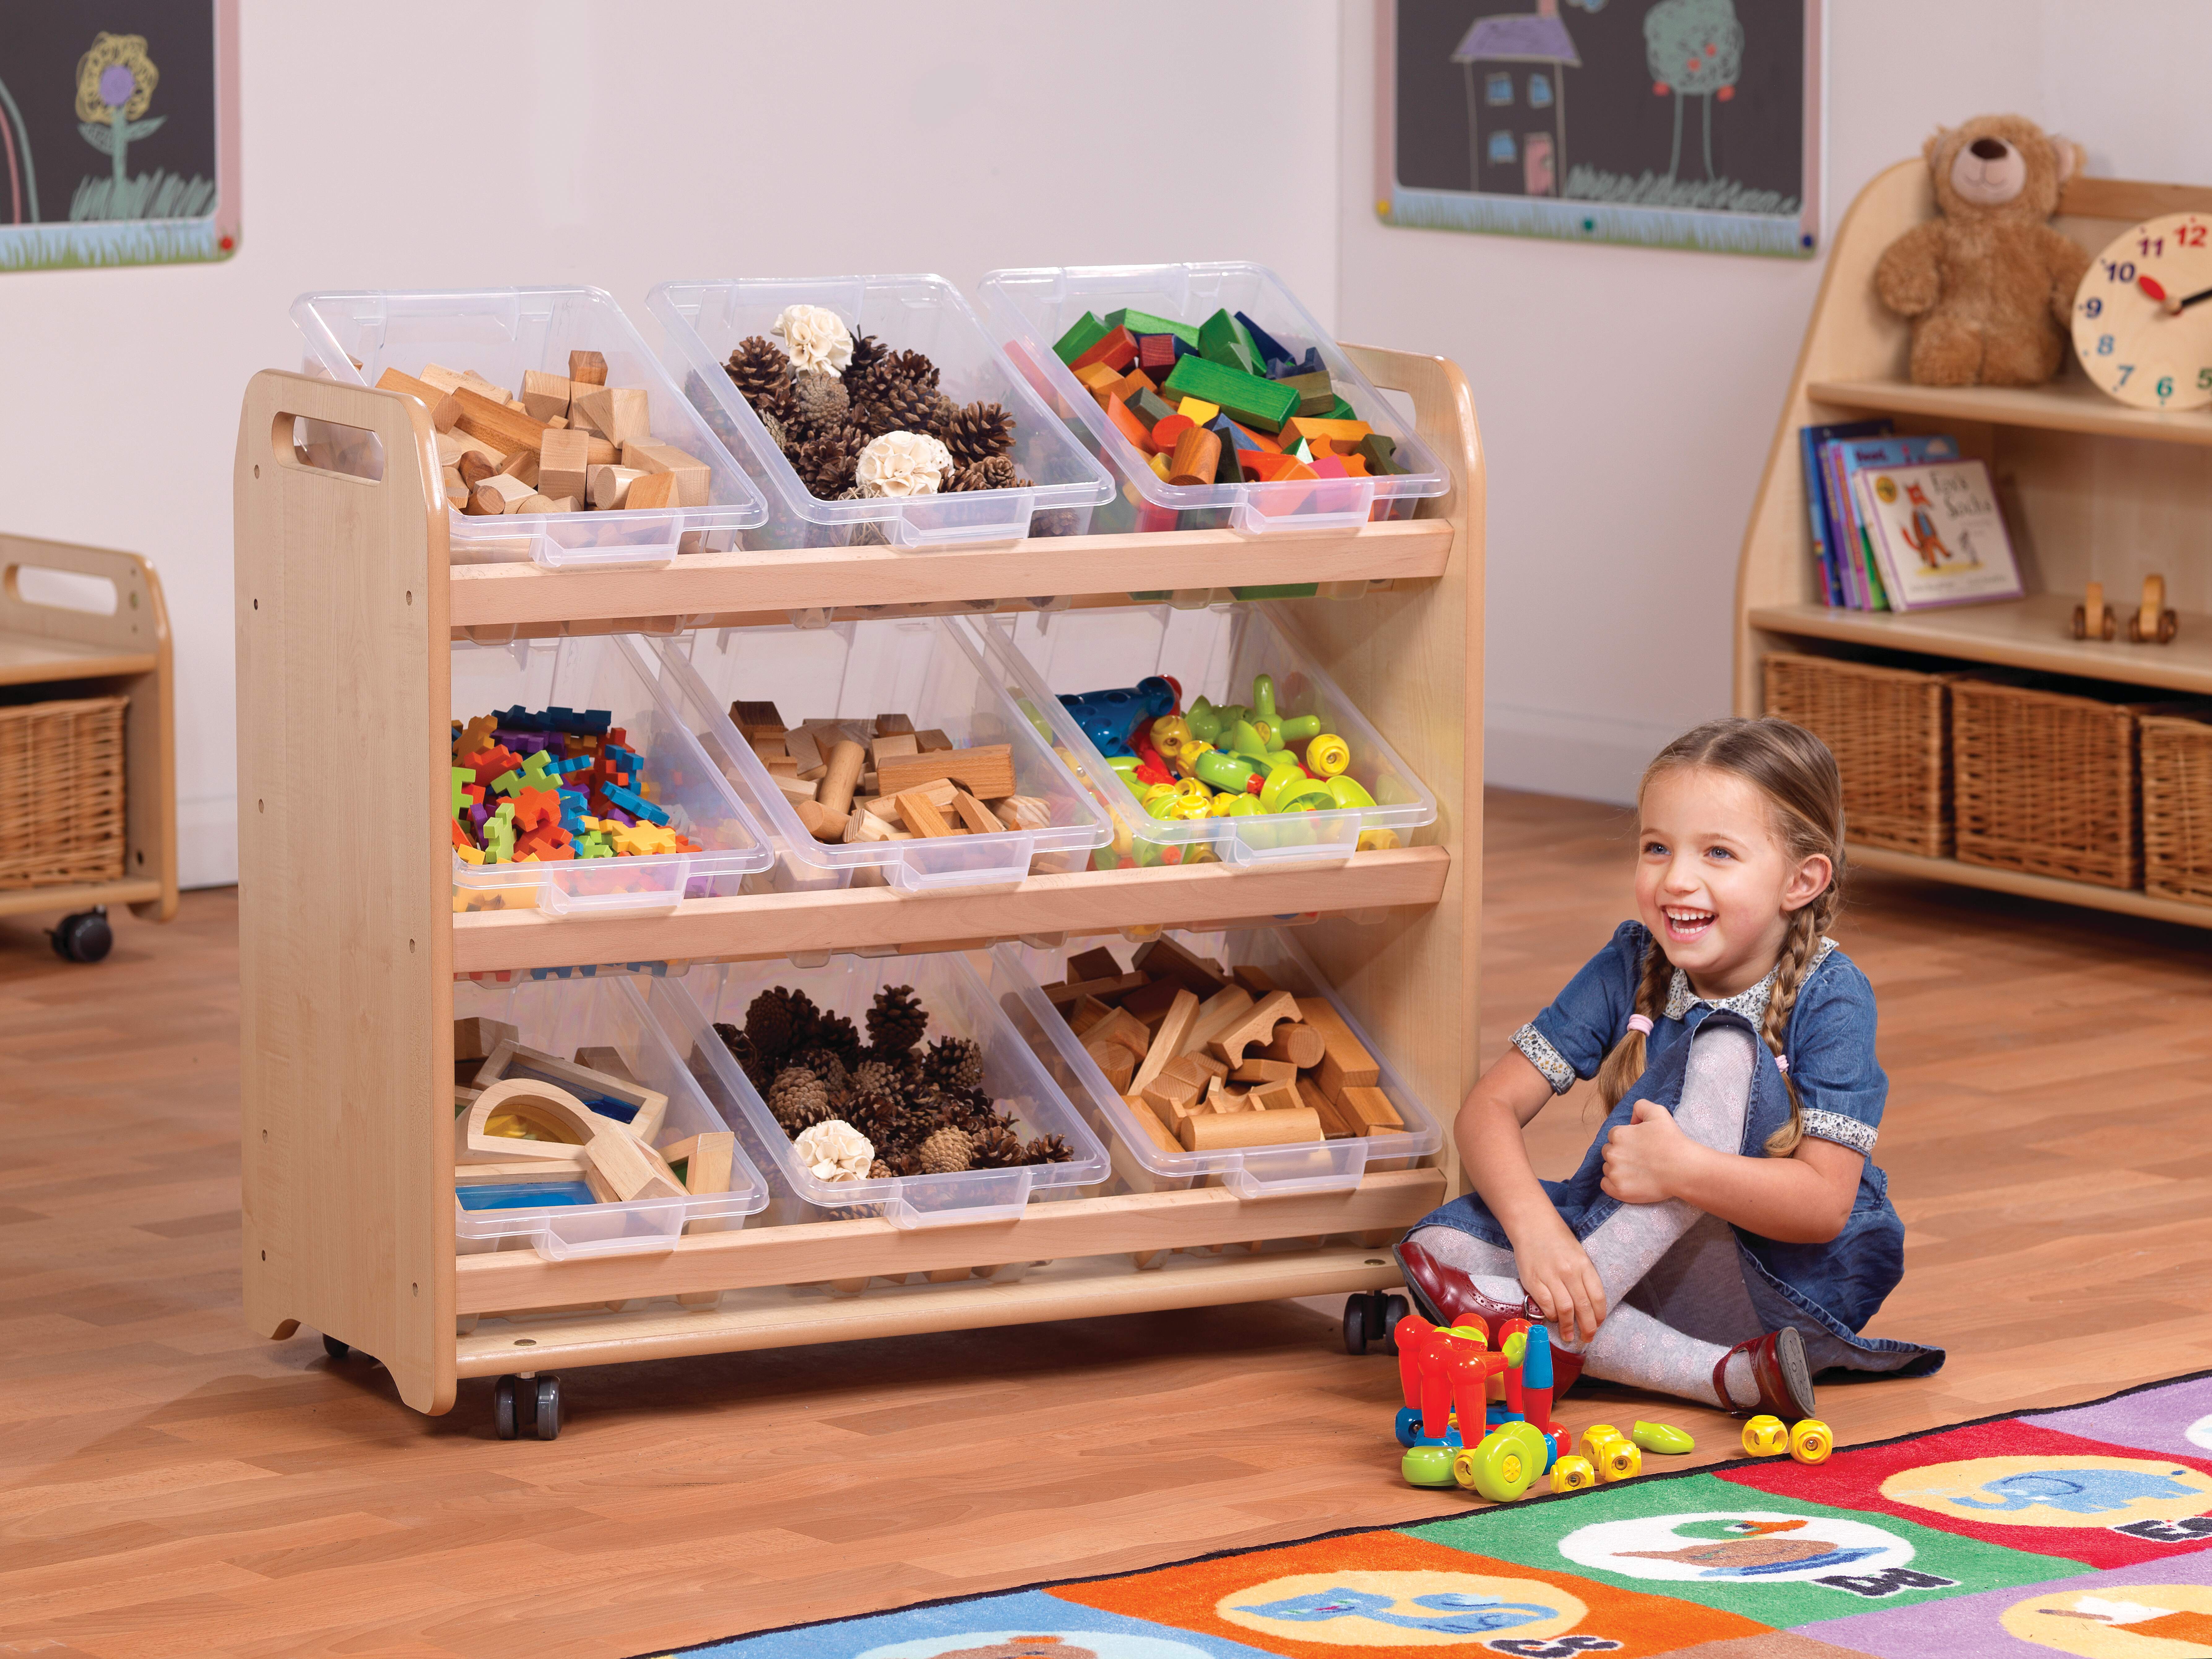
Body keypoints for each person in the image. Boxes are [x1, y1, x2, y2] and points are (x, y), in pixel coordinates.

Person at [1396, 717, 1941, 1420]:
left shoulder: (1834, 994)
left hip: (1780, 1284)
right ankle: (1723, 1376)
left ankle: (1538, 1329)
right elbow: (1488, 1109)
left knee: (1724, 1045)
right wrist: (1539, 1235)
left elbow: (1823, 1206)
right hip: (1646, 1279)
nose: (1676, 879)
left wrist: (1682, 1171)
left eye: (1717, 853)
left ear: (1801, 880)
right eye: (1657, 847)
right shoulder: (1630, 958)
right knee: (1431, 1244)